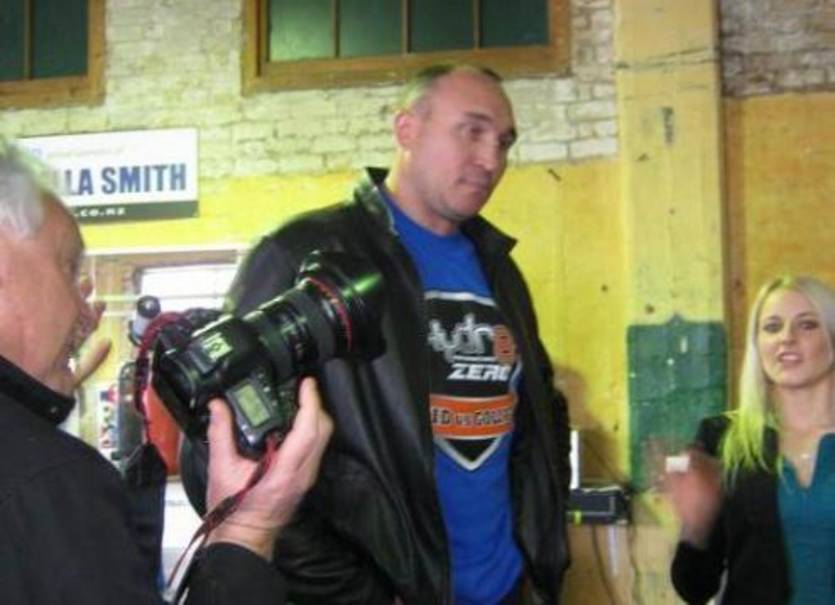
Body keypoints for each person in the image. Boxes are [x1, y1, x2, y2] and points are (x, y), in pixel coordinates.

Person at [184, 63, 571, 604]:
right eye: (472, 132)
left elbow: (539, 411)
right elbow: (220, 454)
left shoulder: (499, 268)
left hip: (506, 589)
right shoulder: (301, 254)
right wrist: (357, 594)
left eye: (504, 142)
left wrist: (536, 551)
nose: (491, 160)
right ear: (406, 129)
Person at [0, 140, 333, 604]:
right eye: (69, 268)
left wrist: (31, 415)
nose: (85, 313)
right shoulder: (48, 484)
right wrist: (247, 532)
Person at [667, 275, 835, 604]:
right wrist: (696, 525)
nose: (787, 338)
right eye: (772, 327)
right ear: (757, 344)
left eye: (807, 325)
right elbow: (694, 588)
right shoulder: (721, 438)